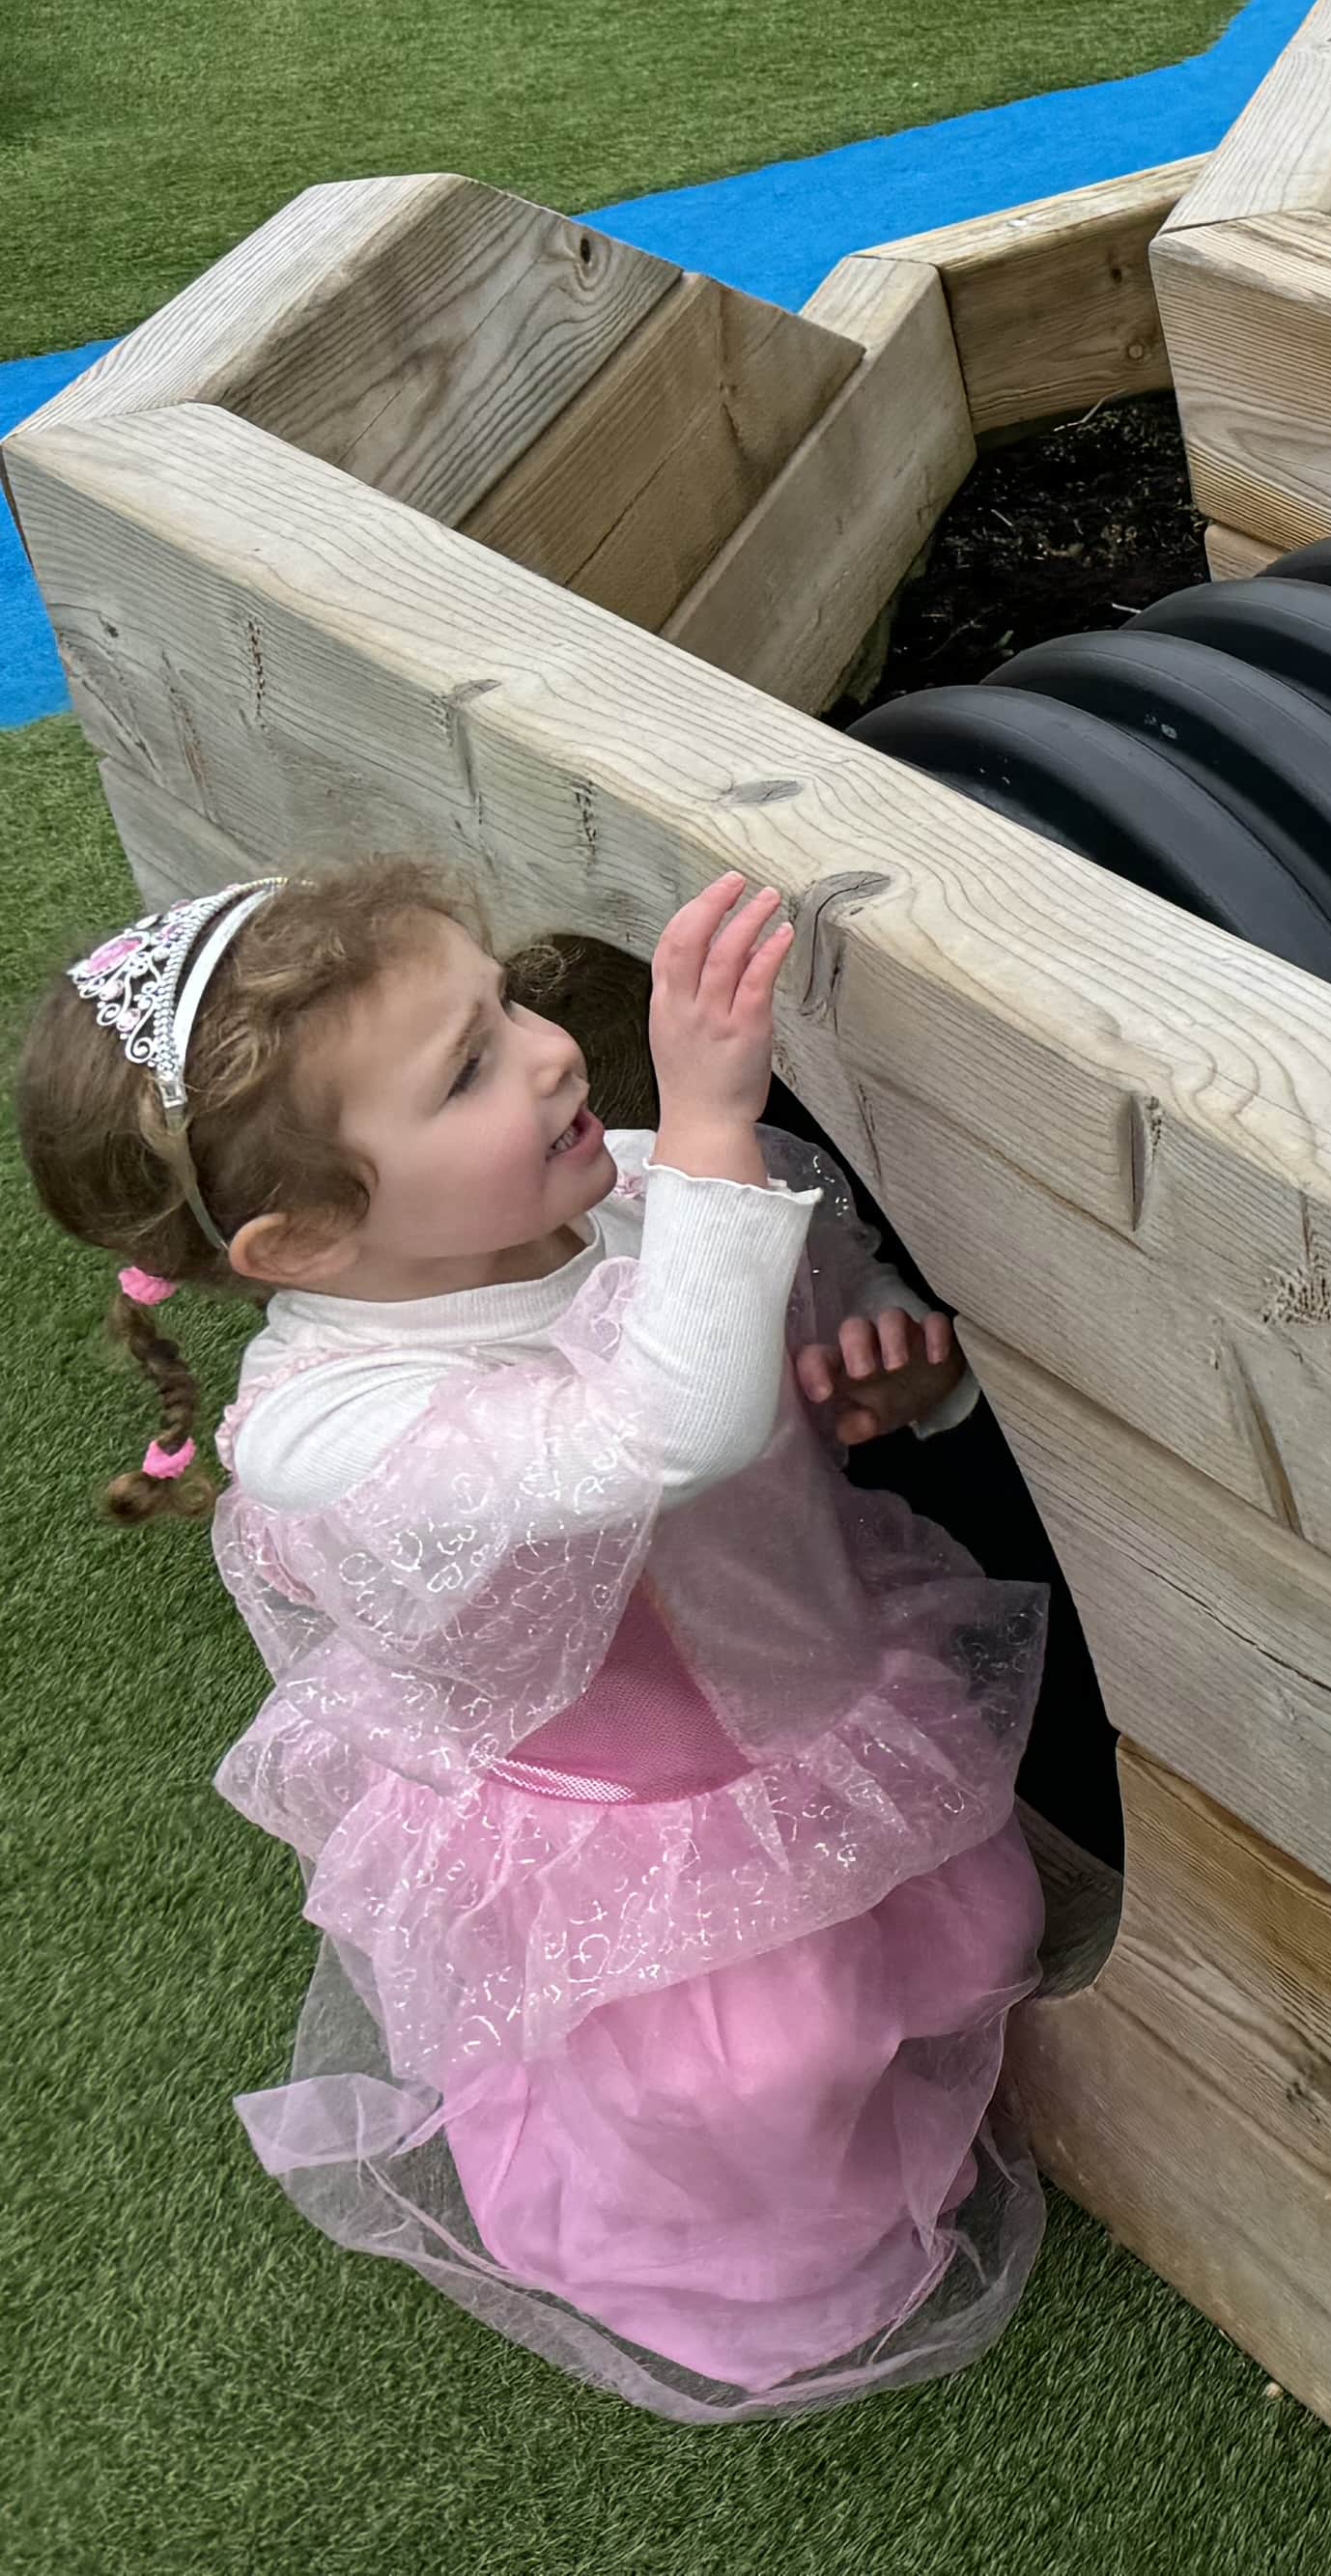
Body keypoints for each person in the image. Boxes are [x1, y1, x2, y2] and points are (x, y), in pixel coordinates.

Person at [19, 861, 1047, 2422]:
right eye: (469, 1066)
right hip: (637, 1818)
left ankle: (887, 2116)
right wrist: (708, 1124)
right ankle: (762, 2280)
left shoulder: (629, 1184)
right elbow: (671, 1424)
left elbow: (802, 1283)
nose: (556, 1046)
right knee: (746, 2069)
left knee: (942, 1932)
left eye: (501, 998)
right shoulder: (328, 1426)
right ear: (303, 1241)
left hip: (819, 1678)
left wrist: (893, 1379)